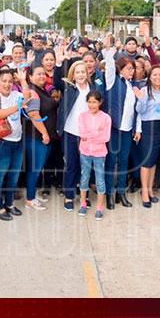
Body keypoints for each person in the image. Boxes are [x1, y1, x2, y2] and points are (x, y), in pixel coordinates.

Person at [0, 67, 30, 221]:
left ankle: (9, 203)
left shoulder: (16, 94)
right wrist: (17, 107)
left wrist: (23, 80)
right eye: (4, 81)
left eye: (10, 81)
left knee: (14, 176)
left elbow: (28, 98)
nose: (7, 84)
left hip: (16, 141)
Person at [103, 38, 138, 209]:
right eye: (129, 68)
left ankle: (121, 193)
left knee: (124, 162)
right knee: (111, 161)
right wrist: (109, 50)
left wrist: (136, 129)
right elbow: (110, 66)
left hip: (127, 130)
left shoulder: (133, 86)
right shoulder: (113, 81)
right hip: (114, 129)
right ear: (121, 69)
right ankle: (110, 194)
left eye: (133, 69)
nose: (132, 71)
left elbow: (135, 110)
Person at [58, 61, 92, 212]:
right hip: (70, 132)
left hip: (88, 134)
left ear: (87, 73)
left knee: (86, 166)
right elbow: (56, 80)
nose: (80, 75)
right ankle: (69, 195)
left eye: (83, 72)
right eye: (77, 72)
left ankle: (84, 195)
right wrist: (59, 62)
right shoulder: (68, 88)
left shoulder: (93, 88)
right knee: (71, 165)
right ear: (73, 74)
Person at [22, 65, 57, 211]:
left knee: (38, 168)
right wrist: (44, 133)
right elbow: (34, 114)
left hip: (44, 137)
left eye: (43, 74)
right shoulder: (33, 92)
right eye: (38, 74)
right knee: (34, 169)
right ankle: (30, 199)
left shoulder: (41, 90)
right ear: (30, 77)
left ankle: (32, 194)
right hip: (37, 137)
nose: (42, 76)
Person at [133, 66, 160, 208]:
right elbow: (139, 111)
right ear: (150, 76)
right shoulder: (144, 90)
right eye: (155, 75)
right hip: (147, 127)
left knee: (154, 161)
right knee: (146, 162)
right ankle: (144, 192)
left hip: (159, 126)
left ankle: (150, 190)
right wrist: (141, 100)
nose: (158, 77)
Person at [77, 91, 111, 220]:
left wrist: (91, 135)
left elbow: (105, 137)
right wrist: (97, 132)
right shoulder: (82, 116)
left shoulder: (106, 118)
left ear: (100, 102)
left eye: (94, 102)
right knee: (84, 177)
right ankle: (83, 203)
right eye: (90, 102)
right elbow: (82, 134)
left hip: (99, 153)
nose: (92, 105)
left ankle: (99, 207)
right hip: (85, 152)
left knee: (100, 180)